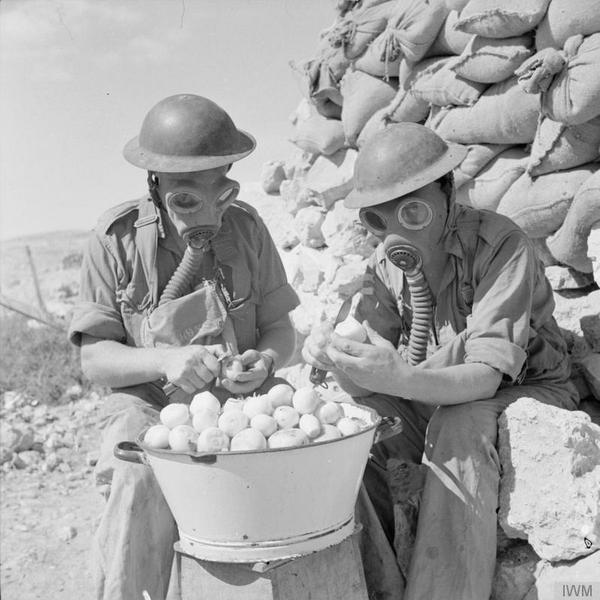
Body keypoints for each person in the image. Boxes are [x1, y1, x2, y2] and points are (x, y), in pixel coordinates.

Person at [302, 123, 579, 600]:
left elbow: (486, 376)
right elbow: (373, 371)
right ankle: (374, 585)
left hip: (520, 388)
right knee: (352, 434)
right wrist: (335, 357)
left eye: (413, 211)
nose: (396, 231)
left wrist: (400, 378)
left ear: (448, 191)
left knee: (459, 424)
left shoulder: (500, 245)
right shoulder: (385, 265)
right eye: (378, 219)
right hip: (429, 390)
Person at [68, 93, 299, 600]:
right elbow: (95, 359)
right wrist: (166, 360)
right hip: (150, 402)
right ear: (155, 184)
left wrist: (265, 360)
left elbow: (282, 329)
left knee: (313, 459)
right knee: (136, 472)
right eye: (187, 192)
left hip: (242, 402)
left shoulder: (248, 229)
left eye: (222, 185)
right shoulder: (116, 240)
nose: (208, 204)